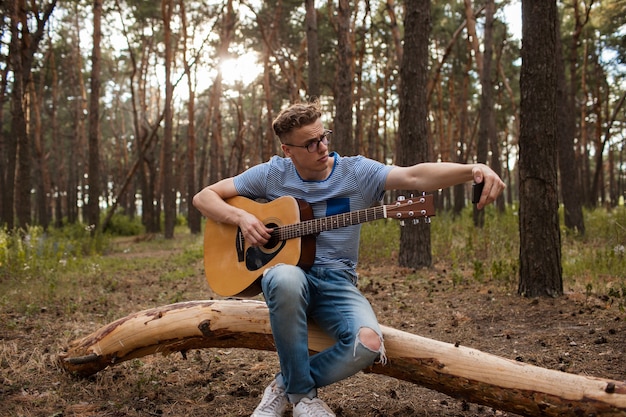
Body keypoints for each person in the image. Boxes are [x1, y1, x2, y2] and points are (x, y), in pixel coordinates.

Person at [192, 101, 506, 417]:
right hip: (288, 277)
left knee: (368, 344)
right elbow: (204, 197)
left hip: (336, 281)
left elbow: (414, 177)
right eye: (310, 143)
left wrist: (472, 169)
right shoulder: (273, 173)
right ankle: (304, 398)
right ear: (289, 151)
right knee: (283, 277)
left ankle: (284, 387)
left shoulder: (355, 172)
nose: (322, 147)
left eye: (323, 136)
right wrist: (242, 219)